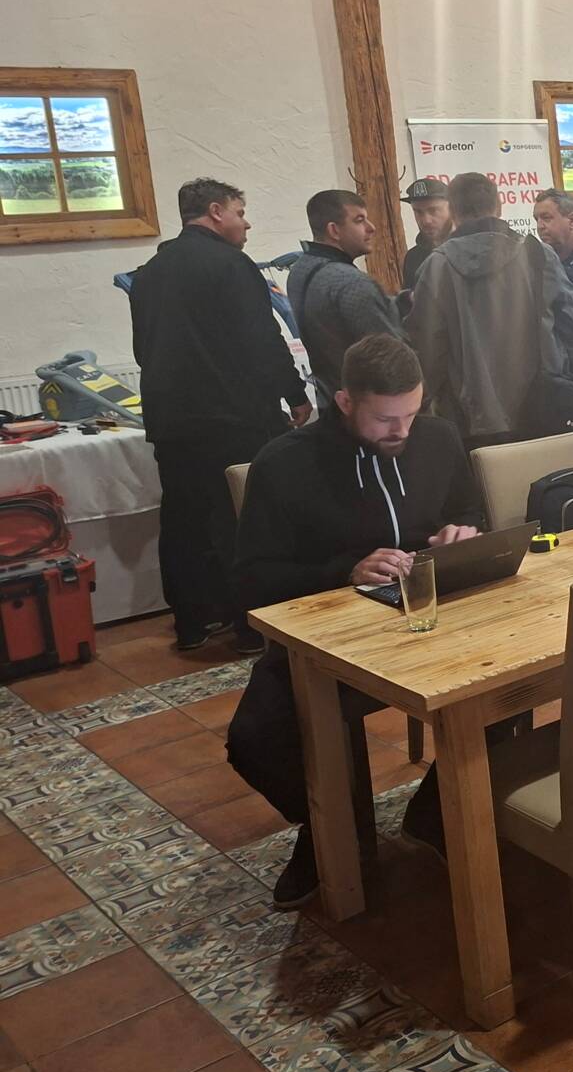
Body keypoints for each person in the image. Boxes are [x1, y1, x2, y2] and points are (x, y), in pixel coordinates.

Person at [228, 334, 482, 908]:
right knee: (254, 739)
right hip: (328, 633)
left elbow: (467, 509)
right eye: (385, 419)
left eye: (411, 413)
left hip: (436, 617)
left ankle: (435, 813)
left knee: (507, 683)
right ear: (344, 401)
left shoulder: (438, 438)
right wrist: (345, 571)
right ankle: (331, 826)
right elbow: (253, 580)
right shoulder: (285, 464)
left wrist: (461, 532)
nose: (402, 431)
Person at [129, 178, 310, 653]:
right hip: (232, 416)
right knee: (241, 517)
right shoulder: (232, 264)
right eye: (239, 212)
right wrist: (294, 393)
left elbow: (143, 350)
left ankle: (191, 622)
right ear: (215, 211)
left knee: (183, 518)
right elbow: (261, 339)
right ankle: (250, 626)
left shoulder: (149, 273)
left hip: (172, 420)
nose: (246, 224)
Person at [406, 171, 573, 447]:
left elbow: (428, 348)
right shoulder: (538, 254)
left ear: (453, 212)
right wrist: (555, 366)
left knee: (485, 476)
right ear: (499, 206)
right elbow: (570, 327)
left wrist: (427, 403)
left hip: (468, 415)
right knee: (546, 473)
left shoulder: (436, 266)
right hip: (543, 402)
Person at [290, 190, 401, 399]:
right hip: (368, 404)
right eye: (359, 220)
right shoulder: (351, 282)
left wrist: (398, 303)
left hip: (331, 399)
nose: (371, 227)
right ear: (334, 230)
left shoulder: (299, 269)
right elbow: (391, 359)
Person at [531, 187, 573, 315]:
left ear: (572, 220)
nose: (539, 226)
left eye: (546, 218)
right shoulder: (534, 264)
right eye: (536, 219)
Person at [400, 179, 451, 292]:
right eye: (418, 212)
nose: (426, 220)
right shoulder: (413, 257)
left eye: (434, 210)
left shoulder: (469, 250)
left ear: (452, 208)